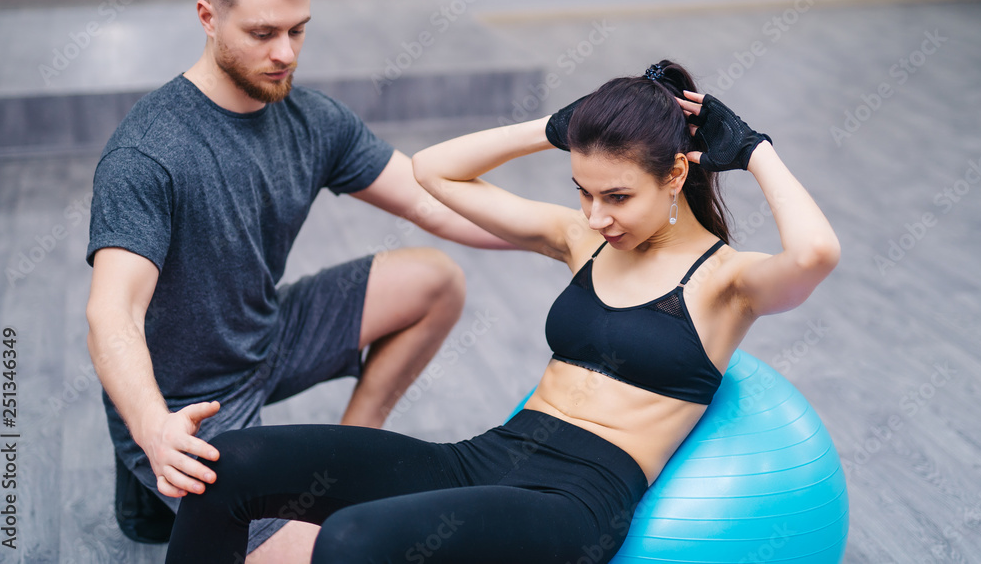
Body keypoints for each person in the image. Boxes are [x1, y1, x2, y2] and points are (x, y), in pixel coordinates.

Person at [162, 60, 841, 563]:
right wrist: (553, 127)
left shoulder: (725, 280)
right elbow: (435, 169)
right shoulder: (583, 239)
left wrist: (754, 149)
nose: (595, 216)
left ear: (675, 175)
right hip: (491, 456)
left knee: (348, 540)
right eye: (582, 191)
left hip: (575, 503)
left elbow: (816, 254)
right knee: (226, 465)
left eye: (617, 196)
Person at [84, 0, 511, 562]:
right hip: (185, 402)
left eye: (297, 30)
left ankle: (342, 465)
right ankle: (154, 474)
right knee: (325, 554)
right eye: (262, 33)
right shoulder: (149, 151)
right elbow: (110, 311)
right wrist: (151, 425)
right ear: (207, 16)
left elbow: (430, 199)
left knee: (434, 279)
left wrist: (569, 236)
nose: (285, 52)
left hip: (264, 337)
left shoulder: (312, 120)